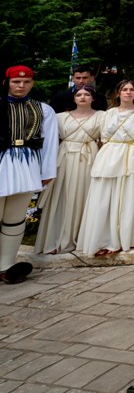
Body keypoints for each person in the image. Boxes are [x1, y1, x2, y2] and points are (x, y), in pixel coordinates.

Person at [77, 80, 134, 258]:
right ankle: (103, 239)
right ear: (118, 93)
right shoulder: (108, 114)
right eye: (124, 89)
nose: (128, 92)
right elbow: (103, 139)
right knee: (105, 198)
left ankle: (124, 238)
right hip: (109, 155)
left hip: (133, 155)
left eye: (132, 89)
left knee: (128, 197)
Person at [0, 66, 57, 283]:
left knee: (15, 218)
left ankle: (6, 266)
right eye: (16, 81)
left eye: (26, 82)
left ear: (32, 83)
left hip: (27, 164)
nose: (21, 86)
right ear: (7, 82)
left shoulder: (43, 109)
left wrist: (47, 171)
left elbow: (49, 142)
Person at [34, 85, 103, 254]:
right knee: (63, 196)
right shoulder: (60, 117)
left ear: (93, 98)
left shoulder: (102, 116)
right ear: (73, 98)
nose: (82, 97)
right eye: (79, 94)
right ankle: (56, 239)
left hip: (89, 158)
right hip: (64, 158)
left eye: (87, 94)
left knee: (86, 195)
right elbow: (50, 141)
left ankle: (84, 238)